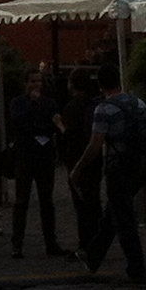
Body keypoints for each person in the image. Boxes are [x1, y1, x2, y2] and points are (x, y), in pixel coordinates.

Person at [73, 65, 146, 284]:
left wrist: (78, 169)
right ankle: (93, 255)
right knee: (114, 211)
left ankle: (137, 269)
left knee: (124, 218)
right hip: (139, 166)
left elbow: (95, 146)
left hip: (118, 167)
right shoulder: (140, 104)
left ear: (100, 85)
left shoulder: (104, 109)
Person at [7, 71, 65, 258]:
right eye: (32, 81)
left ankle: (51, 242)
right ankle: (17, 243)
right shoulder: (17, 103)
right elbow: (17, 121)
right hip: (24, 154)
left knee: (46, 201)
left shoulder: (50, 103)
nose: (36, 85)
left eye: (39, 81)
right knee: (21, 200)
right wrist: (32, 106)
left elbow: (53, 124)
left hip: (44, 155)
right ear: (26, 83)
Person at [61, 67, 101, 259]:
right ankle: (97, 239)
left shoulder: (72, 107)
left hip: (77, 157)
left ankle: (86, 243)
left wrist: (59, 125)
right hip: (95, 157)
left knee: (81, 203)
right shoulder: (94, 104)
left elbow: (70, 134)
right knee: (93, 200)